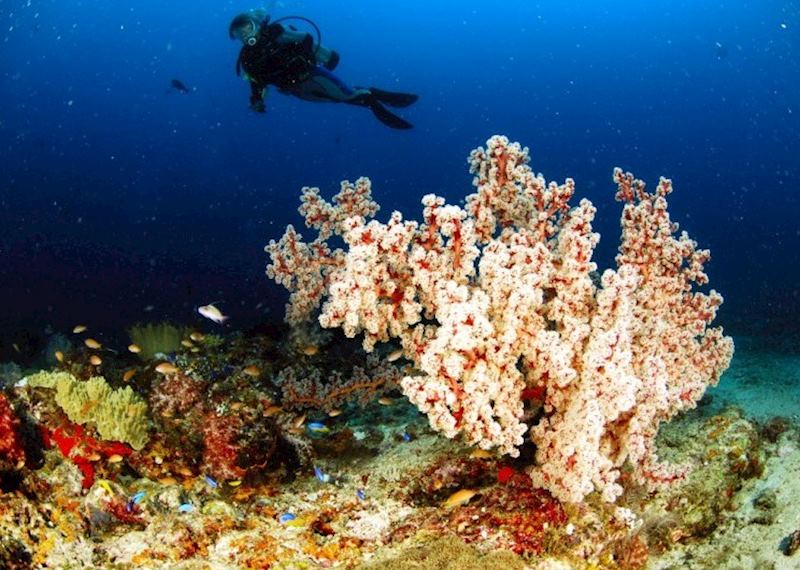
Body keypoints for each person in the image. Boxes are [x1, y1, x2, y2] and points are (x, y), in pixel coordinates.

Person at [229, 10, 418, 129]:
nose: (245, 35)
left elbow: (305, 38)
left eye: (248, 28)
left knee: (346, 96)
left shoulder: (276, 33)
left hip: (312, 74)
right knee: (339, 98)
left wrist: (309, 58)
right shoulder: (247, 58)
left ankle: (372, 99)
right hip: (296, 90)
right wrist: (257, 101)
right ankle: (370, 97)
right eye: (240, 34)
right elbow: (256, 83)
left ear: (256, 24)